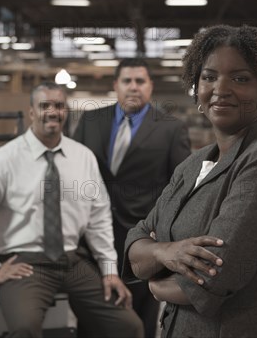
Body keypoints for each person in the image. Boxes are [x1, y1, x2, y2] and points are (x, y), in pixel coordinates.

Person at [124, 25, 257, 338]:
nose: (221, 88)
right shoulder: (191, 165)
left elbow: (215, 276)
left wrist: (156, 286)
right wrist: (165, 252)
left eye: (240, 78)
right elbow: (136, 239)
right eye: (209, 76)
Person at [0, 82, 143, 338]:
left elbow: (98, 219)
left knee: (128, 326)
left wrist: (109, 271)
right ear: (32, 112)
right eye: (45, 105)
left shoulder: (82, 157)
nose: (52, 112)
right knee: (24, 328)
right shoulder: (4, 160)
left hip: (73, 260)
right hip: (26, 263)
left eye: (59, 105)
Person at [73, 58, 191, 338]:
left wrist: (163, 233)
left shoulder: (170, 129)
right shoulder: (91, 121)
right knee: (91, 315)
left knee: (139, 318)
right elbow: (73, 171)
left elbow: (180, 188)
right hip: (90, 237)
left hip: (141, 241)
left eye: (140, 81)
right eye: (127, 81)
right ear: (116, 85)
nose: (133, 87)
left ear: (150, 86)